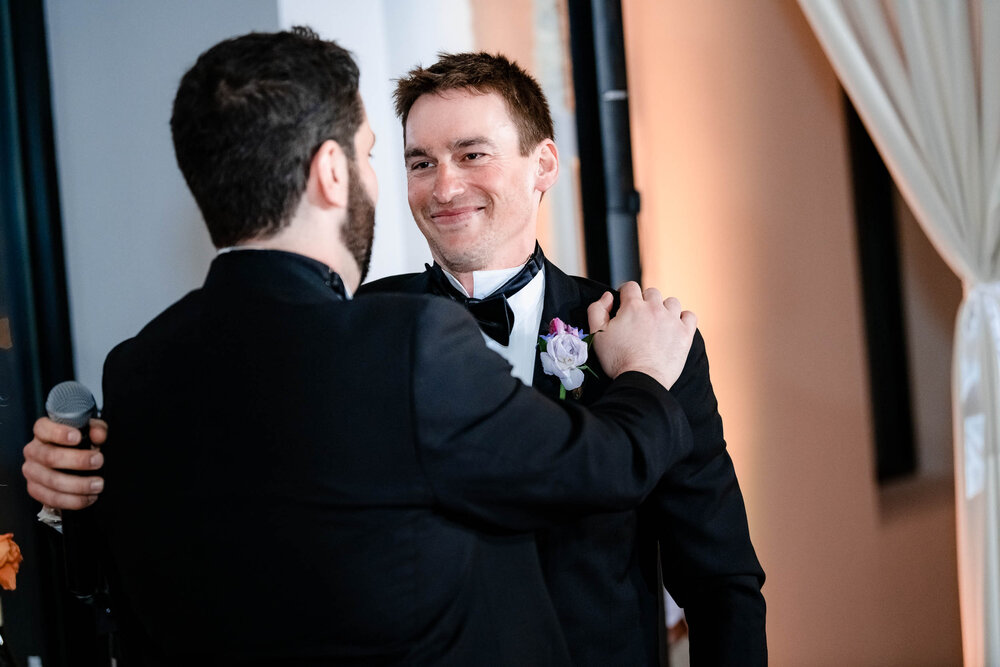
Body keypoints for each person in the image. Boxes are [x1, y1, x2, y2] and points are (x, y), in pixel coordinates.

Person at [23, 49, 765, 665]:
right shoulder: (352, 336)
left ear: (543, 164)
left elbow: (721, 579)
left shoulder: (648, 339)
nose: (444, 186)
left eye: (471, 154)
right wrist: (81, 483)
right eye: (416, 161)